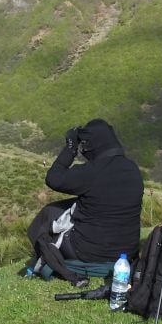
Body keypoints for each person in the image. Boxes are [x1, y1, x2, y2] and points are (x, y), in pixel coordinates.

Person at [25, 119, 144, 282]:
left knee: (49, 213)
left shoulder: (91, 172)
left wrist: (70, 148)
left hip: (89, 252)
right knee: (79, 207)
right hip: (126, 252)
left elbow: (53, 178)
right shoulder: (133, 169)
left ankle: (47, 258)